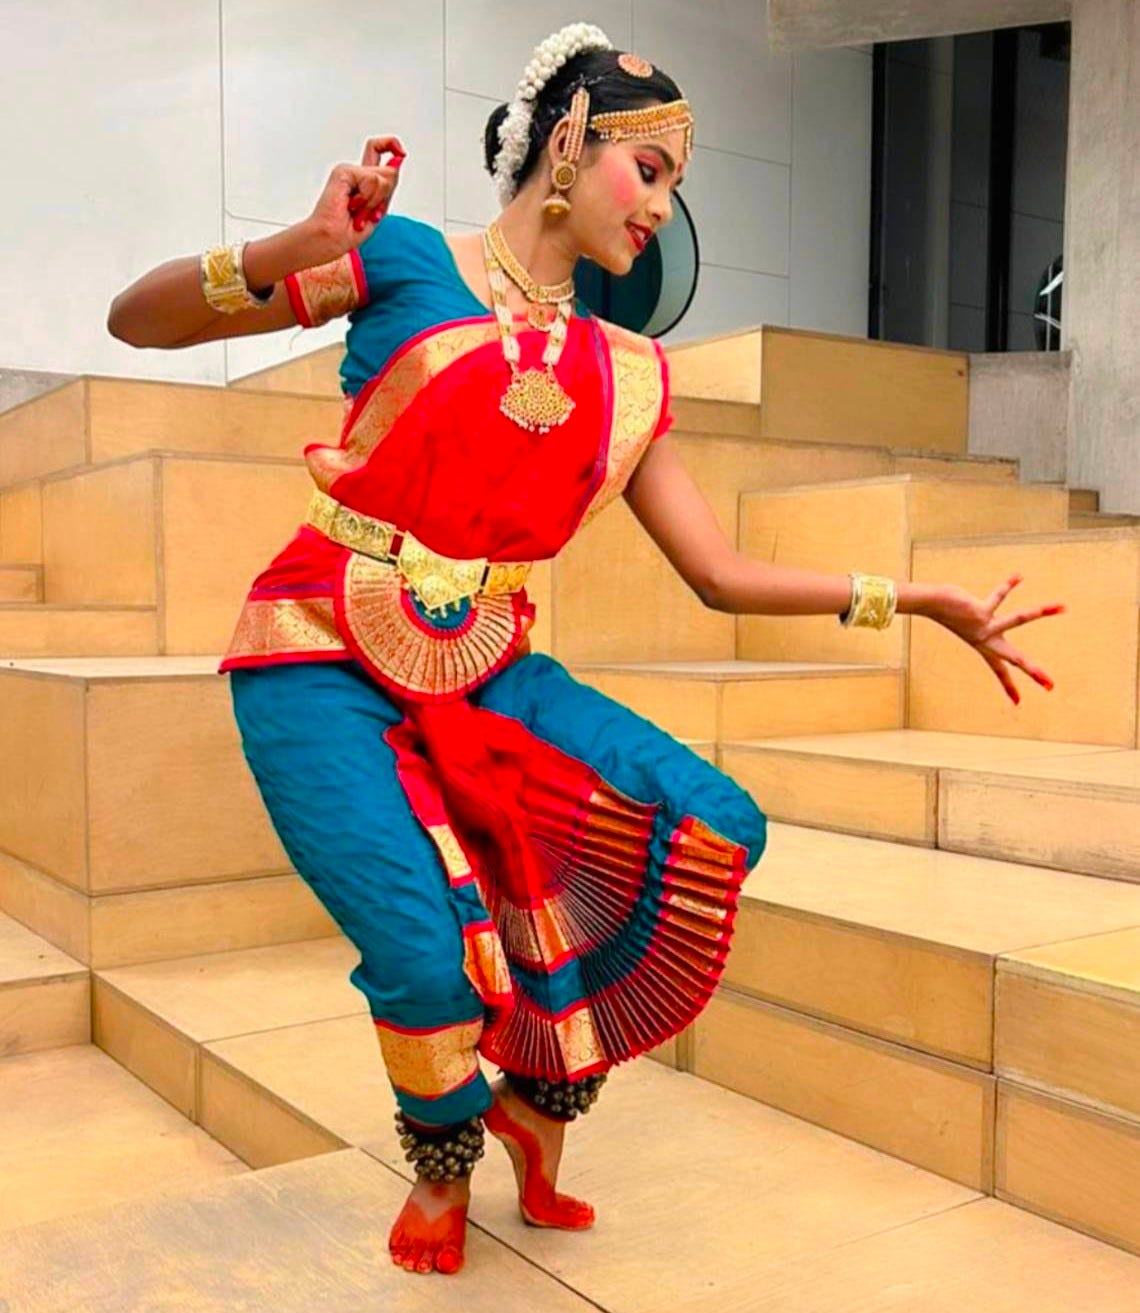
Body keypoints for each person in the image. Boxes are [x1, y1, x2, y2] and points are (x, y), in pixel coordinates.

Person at [107, 22, 1063, 1279]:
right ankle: (443, 1157)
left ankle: (536, 1100)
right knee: (419, 954)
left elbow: (718, 573)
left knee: (709, 819)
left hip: (490, 667)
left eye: (675, 187)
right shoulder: (402, 257)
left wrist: (918, 597)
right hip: (317, 649)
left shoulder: (627, 371)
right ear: (569, 143)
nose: (662, 208)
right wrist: (296, 245)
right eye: (648, 171)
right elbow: (136, 322)